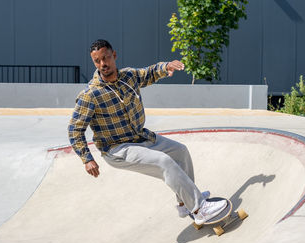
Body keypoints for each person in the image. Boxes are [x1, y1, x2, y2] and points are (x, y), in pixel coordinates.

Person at [68, 39, 226, 224]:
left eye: (106, 58)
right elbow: (75, 129)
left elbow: (149, 72)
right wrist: (87, 159)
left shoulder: (129, 76)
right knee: (163, 161)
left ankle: (184, 202)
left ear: (114, 55)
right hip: (117, 149)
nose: (103, 64)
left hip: (141, 137)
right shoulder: (90, 95)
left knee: (180, 152)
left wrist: (166, 66)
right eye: (97, 61)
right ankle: (199, 209)